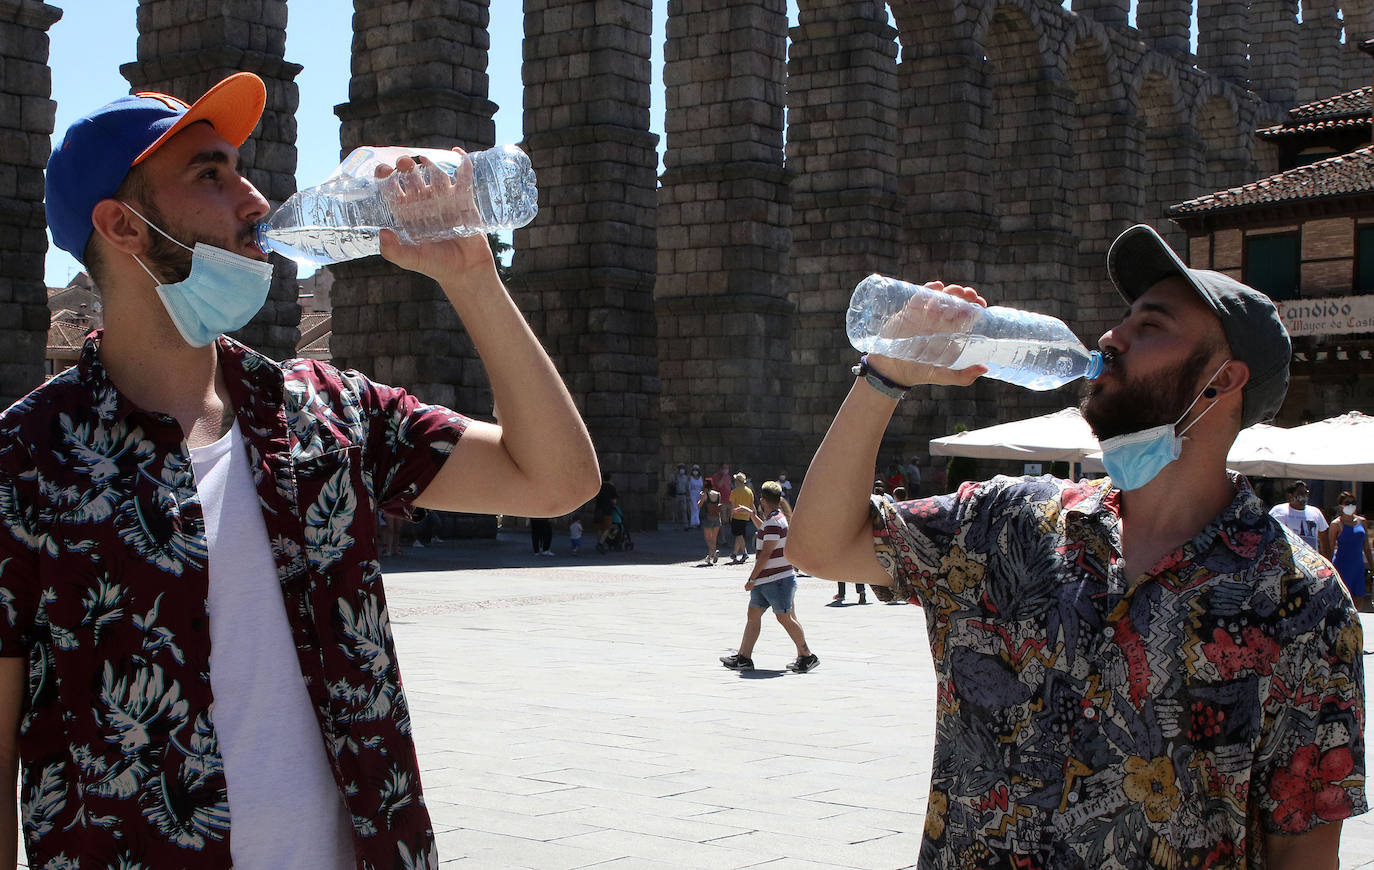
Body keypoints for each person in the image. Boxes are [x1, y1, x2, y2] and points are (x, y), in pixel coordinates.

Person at [0, 73, 599, 868]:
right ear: (123, 225)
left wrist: (472, 278)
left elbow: (557, 479)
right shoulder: (25, 461)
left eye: (242, 169)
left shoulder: (327, 411)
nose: (254, 198)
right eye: (210, 174)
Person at [789, 224, 1365, 867]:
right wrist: (884, 376)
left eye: (1151, 325)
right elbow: (819, 547)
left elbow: (1303, 849)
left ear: (1222, 381)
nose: (1111, 337)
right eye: (1123, 319)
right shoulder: (1009, 521)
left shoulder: (1299, 601)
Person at [720, 481, 819, 673]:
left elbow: (765, 553)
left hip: (777, 580)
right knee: (754, 616)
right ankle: (744, 657)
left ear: (763, 499)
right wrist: (753, 515)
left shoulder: (774, 522)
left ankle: (807, 656)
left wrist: (751, 578)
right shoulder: (776, 519)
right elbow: (766, 532)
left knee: (785, 618)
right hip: (769, 580)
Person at [1328, 491, 1373, 612]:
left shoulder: (1362, 521)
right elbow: (1330, 548)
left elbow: (1366, 547)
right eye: (1347, 503)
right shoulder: (1336, 524)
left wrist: (1372, 566)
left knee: (1359, 598)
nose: (1351, 505)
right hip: (1342, 566)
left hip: (1357, 566)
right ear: (1341, 505)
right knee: (1343, 599)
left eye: (1353, 503)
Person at [1269, 480, 1332, 558]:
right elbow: (1268, 533)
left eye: (1306, 493)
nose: (1304, 496)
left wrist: (1328, 560)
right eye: (1300, 493)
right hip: (1287, 559)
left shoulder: (1315, 512)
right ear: (1290, 495)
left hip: (1311, 560)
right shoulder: (1278, 511)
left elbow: (1324, 538)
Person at [729, 471, 755, 564]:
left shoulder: (734, 492)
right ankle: (734, 554)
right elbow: (752, 504)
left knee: (739, 535)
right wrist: (754, 513)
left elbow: (732, 506)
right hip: (746, 516)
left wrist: (730, 517)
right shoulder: (749, 491)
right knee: (740, 535)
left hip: (737, 516)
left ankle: (745, 553)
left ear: (737, 481)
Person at [697, 476, 723, 564]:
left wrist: (701, 497)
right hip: (717, 518)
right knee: (714, 538)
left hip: (708, 518)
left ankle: (713, 552)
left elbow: (699, 506)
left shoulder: (704, 494)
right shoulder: (718, 494)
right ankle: (710, 556)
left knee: (708, 539)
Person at [593, 472, 618, 548]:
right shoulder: (611, 487)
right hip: (607, 510)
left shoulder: (599, 487)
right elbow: (614, 501)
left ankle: (598, 542)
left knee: (599, 528)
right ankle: (600, 543)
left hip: (598, 509)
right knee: (607, 528)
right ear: (610, 478)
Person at [687, 463, 705, 528]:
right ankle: (696, 522)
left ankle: (694, 522)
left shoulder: (700, 478)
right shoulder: (690, 478)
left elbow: (702, 486)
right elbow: (688, 487)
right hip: (692, 494)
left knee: (698, 508)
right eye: (694, 470)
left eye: (696, 470)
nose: (695, 471)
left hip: (699, 494)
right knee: (694, 508)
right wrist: (688, 495)